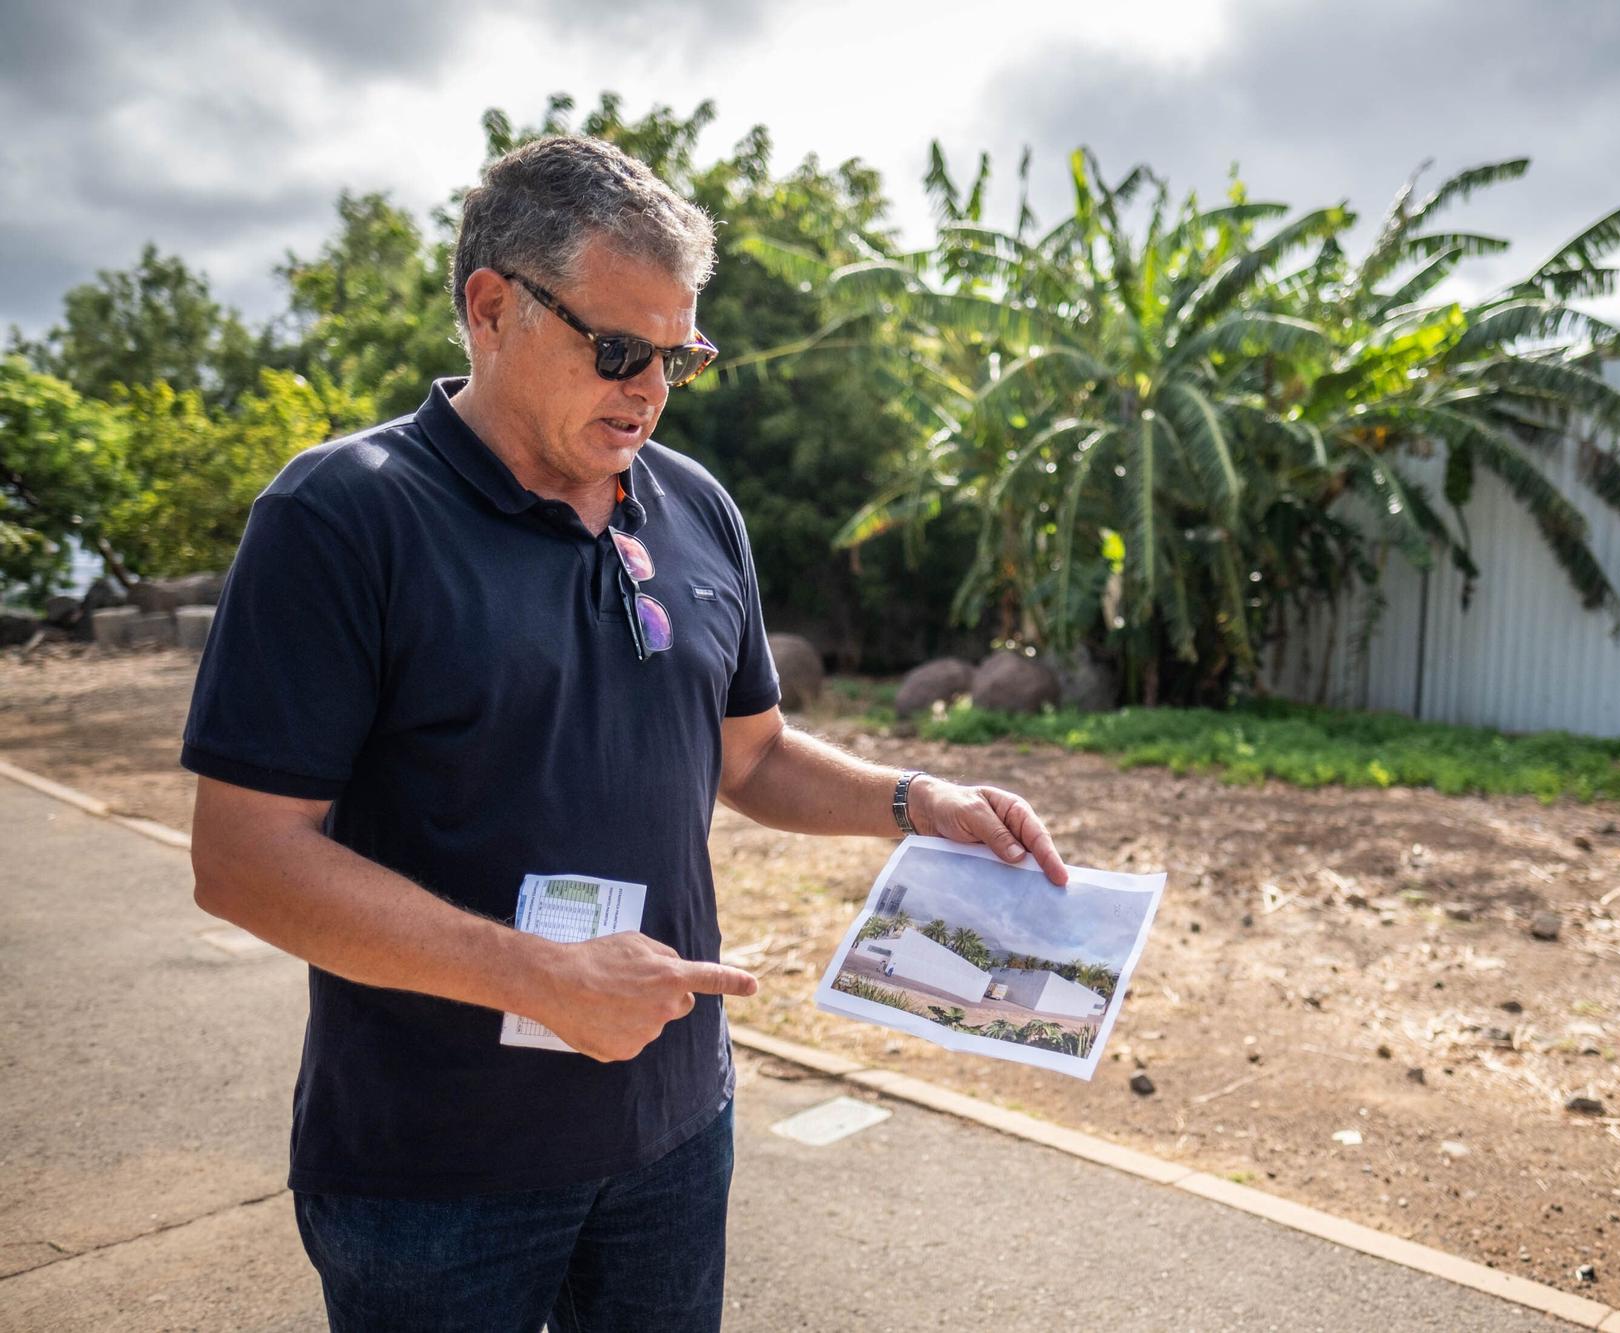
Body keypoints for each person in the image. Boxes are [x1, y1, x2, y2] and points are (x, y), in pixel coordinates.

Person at [183, 134, 1068, 1333]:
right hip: (436, 1170)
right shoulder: (342, 516)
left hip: (673, 1131)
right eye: (617, 349)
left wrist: (912, 799)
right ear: (491, 307)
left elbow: (748, 753)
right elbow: (244, 857)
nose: (649, 388)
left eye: (678, 355)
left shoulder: (696, 504)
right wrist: (537, 977)